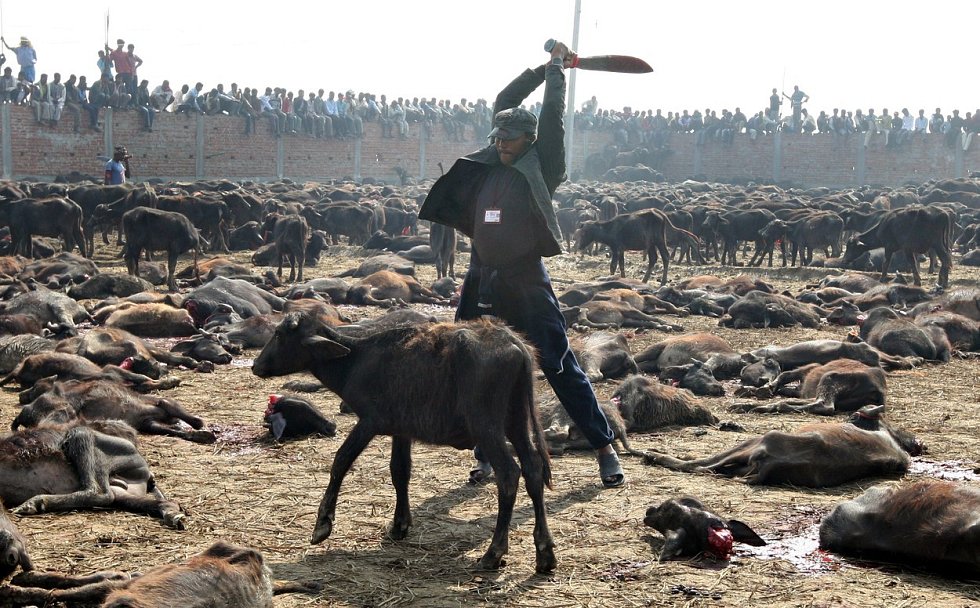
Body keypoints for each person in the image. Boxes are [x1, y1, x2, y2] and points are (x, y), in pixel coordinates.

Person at [418, 40, 626, 489]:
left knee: (557, 364)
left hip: (526, 281)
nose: (501, 145)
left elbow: (552, 116)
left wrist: (557, 72)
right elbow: (505, 102)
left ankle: (604, 447)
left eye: (509, 140)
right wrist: (539, 66)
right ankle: (486, 452)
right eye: (497, 138)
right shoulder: (491, 160)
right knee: (468, 362)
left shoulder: (543, 164)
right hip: (481, 279)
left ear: (528, 140)